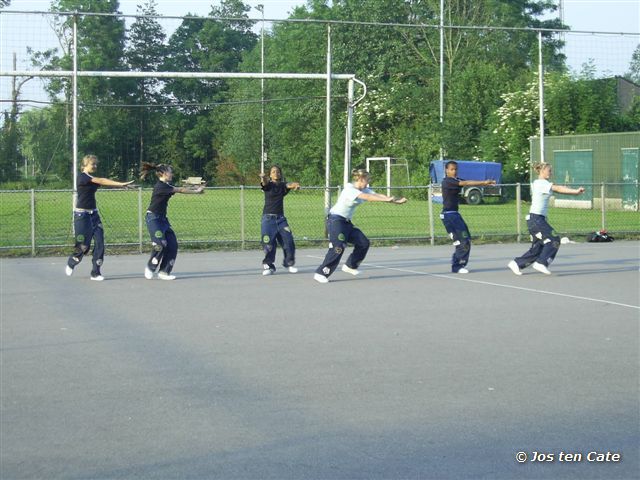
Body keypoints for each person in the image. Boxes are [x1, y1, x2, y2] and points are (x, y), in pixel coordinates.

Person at [314, 168, 407, 283]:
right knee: (338, 247)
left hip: (346, 222)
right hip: (336, 220)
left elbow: (377, 195)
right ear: (361, 179)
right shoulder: (350, 189)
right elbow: (368, 198)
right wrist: (388, 200)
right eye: (367, 180)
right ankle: (321, 273)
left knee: (363, 243)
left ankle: (350, 266)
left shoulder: (364, 189)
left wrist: (395, 201)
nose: (368, 183)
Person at [65, 154, 134, 281]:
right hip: (82, 214)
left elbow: (105, 182)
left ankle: (95, 272)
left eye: (96, 164)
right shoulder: (82, 177)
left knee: (100, 243)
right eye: (93, 164)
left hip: (94, 215)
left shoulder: (91, 178)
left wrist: (122, 186)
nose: (95, 166)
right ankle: (73, 261)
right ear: (84, 165)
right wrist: (121, 183)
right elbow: (102, 180)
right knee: (84, 245)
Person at [508, 162, 584, 275]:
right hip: (536, 219)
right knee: (554, 239)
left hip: (536, 219)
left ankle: (517, 263)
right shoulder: (540, 183)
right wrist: (575, 191)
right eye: (549, 170)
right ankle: (541, 263)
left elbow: (558, 187)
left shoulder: (542, 183)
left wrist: (573, 192)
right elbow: (558, 188)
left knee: (538, 246)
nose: (551, 173)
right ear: (542, 171)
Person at [141, 162, 204, 280]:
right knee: (160, 244)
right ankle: (150, 267)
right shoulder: (161, 186)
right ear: (164, 174)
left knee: (172, 245)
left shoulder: (166, 185)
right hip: (153, 219)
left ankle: (164, 272)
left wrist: (196, 188)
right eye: (170, 171)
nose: (172, 173)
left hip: (163, 220)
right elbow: (180, 189)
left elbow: (178, 188)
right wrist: (196, 191)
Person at [440, 160, 496, 274]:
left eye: (456, 169)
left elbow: (467, 182)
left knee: (464, 240)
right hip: (449, 215)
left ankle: (457, 263)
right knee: (463, 240)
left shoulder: (456, 179)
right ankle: (457, 266)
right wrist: (484, 182)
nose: (454, 171)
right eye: (451, 169)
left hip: (455, 214)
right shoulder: (447, 181)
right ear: (446, 170)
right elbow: (465, 184)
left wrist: (483, 183)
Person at [259, 165, 301, 275]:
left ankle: (289, 263)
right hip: (268, 219)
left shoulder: (282, 186)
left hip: (281, 219)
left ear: (280, 174)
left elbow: (289, 185)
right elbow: (264, 183)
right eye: (273, 171)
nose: (276, 173)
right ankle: (269, 266)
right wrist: (262, 178)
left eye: (277, 171)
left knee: (289, 240)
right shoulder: (268, 185)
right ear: (270, 174)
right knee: (268, 243)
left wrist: (295, 185)